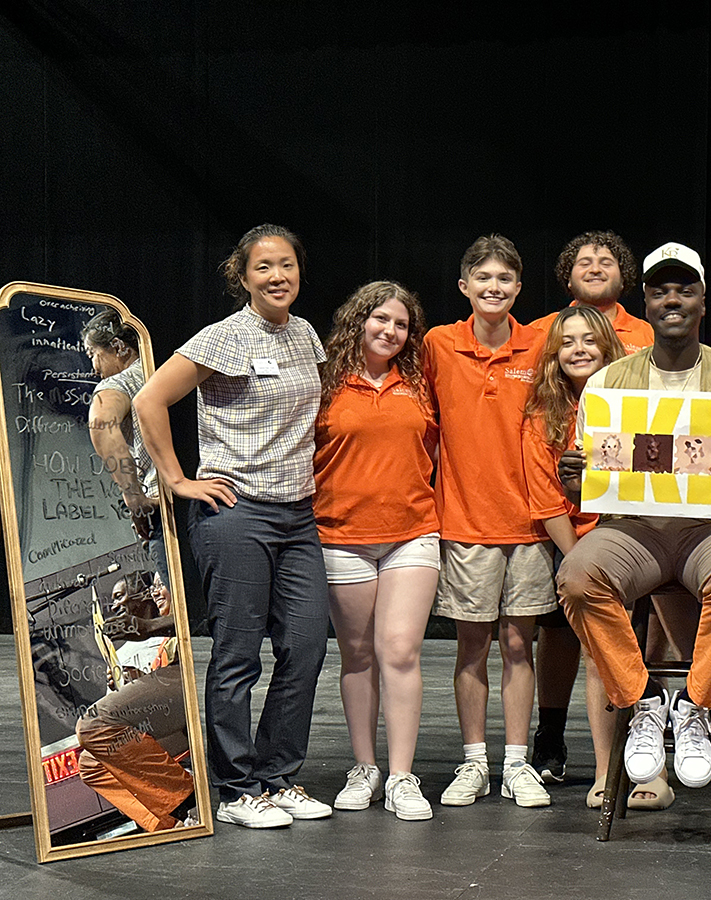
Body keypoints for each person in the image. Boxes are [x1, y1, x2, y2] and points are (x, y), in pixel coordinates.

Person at [558, 241, 711, 796]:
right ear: (646, 300)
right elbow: (590, 473)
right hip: (633, 527)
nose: (672, 300)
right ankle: (640, 701)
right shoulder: (609, 382)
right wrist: (575, 477)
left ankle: (694, 703)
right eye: (660, 290)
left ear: (703, 301)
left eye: (684, 290)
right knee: (577, 576)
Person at [136, 224, 331, 828]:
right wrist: (177, 479)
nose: (278, 277)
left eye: (287, 266)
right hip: (237, 513)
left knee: (304, 647)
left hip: (298, 517)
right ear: (243, 276)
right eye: (265, 267)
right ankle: (236, 786)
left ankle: (277, 776)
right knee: (238, 655)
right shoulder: (224, 337)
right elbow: (148, 401)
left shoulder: (305, 336)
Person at [424, 234, 555, 809]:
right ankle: (474, 761)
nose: (494, 288)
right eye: (483, 279)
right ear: (464, 287)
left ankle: (518, 764)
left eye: (504, 280)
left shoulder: (541, 343)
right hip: (464, 522)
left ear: (519, 289)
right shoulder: (437, 344)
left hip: (528, 525)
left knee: (519, 646)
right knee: (471, 648)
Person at [526, 230, 654, 787]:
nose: (579, 348)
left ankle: (636, 755)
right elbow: (545, 496)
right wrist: (581, 557)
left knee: (623, 647)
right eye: (568, 342)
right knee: (558, 633)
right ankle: (550, 737)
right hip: (568, 541)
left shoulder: (634, 384)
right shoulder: (542, 413)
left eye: (590, 342)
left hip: (630, 538)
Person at [313, 281, 440, 821]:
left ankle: (403, 776)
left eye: (402, 324)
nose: (390, 330)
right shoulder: (324, 380)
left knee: (401, 650)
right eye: (381, 319)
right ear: (358, 320)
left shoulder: (420, 382)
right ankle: (364, 768)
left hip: (412, 531)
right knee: (359, 654)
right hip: (341, 536)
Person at [77, 571, 194, 832]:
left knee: (91, 725)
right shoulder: (123, 649)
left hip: (181, 713)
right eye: (153, 586)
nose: (115, 606)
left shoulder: (174, 628)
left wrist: (145, 676)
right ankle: (163, 824)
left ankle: (185, 798)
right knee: (88, 764)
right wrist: (125, 686)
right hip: (148, 723)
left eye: (160, 585)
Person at [83, 310, 166, 583]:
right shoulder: (169, 370)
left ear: (118, 347)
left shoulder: (121, 381)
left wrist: (135, 499)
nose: (94, 368)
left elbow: (102, 424)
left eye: (92, 354)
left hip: (163, 507)